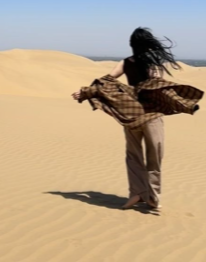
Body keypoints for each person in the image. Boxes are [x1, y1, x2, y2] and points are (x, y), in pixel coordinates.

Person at [72, 27, 183, 212]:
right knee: (154, 156)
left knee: (133, 155)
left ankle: (137, 193)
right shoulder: (155, 63)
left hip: (130, 115)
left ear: (132, 45)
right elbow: (157, 85)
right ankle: (153, 198)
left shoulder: (125, 62)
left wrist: (86, 92)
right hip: (151, 116)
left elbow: (106, 81)